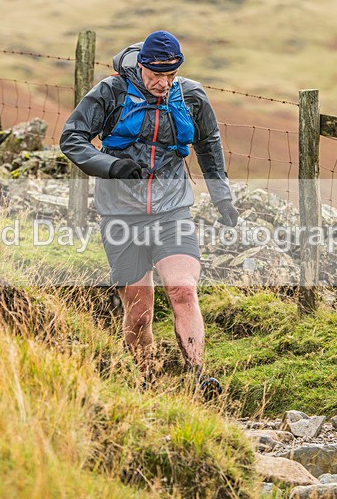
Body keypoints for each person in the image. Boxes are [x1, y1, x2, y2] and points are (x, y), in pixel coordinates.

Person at [60, 30, 239, 396]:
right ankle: (144, 380)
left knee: (182, 290)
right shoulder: (111, 92)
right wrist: (111, 166)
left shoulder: (190, 95)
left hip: (171, 209)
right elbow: (72, 138)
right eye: (156, 75)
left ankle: (198, 377)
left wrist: (222, 196)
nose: (163, 83)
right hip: (120, 214)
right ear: (140, 65)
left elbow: (208, 143)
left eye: (171, 75)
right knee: (139, 311)